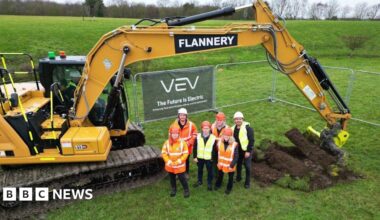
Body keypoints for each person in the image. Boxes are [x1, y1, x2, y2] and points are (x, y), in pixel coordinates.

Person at [161, 127, 190, 198]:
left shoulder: (182, 143)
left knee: (182, 178)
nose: (174, 135)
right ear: (170, 134)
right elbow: (164, 153)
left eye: (176, 134)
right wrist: (168, 161)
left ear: (178, 134)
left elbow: (186, 153)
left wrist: (180, 161)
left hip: (179, 165)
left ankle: (186, 190)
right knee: (172, 178)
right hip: (170, 165)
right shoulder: (166, 143)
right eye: (173, 134)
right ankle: (173, 189)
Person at [169, 108, 197, 179]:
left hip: (187, 147)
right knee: (177, 160)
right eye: (181, 115)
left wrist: (189, 142)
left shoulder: (191, 125)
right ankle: (178, 173)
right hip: (177, 148)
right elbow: (170, 136)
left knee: (186, 160)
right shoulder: (173, 126)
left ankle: (186, 173)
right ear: (178, 116)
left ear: (186, 116)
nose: (182, 117)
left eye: (184, 115)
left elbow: (195, 134)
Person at [232, 111, 254, 189]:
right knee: (238, 164)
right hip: (238, 151)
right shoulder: (233, 128)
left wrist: (248, 151)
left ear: (243, 119)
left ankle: (247, 182)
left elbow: (251, 140)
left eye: (240, 119)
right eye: (236, 119)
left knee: (247, 166)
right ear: (234, 120)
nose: (238, 120)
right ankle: (238, 177)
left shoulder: (248, 128)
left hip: (247, 150)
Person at [193, 121, 217, 191]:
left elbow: (214, 149)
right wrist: (195, 157)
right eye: (204, 128)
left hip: (209, 158)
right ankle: (199, 181)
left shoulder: (213, 137)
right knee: (199, 170)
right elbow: (195, 147)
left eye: (207, 128)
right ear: (202, 129)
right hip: (200, 157)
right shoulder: (197, 137)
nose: (206, 130)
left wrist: (212, 158)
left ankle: (209, 183)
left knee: (210, 171)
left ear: (210, 129)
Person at [214, 127, 238, 195]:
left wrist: (232, 165)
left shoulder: (234, 144)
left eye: (228, 136)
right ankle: (218, 184)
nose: (226, 137)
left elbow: (236, 157)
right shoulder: (219, 142)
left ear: (231, 136)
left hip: (230, 165)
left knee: (230, 178)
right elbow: (217, 152)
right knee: (220, 175)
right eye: (224, 135)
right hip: (221, 164)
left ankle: (229, 188)